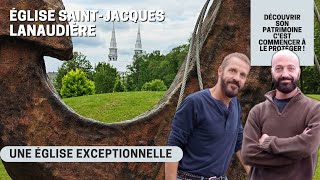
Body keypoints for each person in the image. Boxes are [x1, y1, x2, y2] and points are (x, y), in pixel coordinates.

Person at [165, 52, 251, 180]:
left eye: (242, 75)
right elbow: (174, 147)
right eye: (232, 71)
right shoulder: (195, 103)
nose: (237, 78)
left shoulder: (235, 104)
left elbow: (239, 142)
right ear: (220, 71)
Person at [241, 50, 320, 180]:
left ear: (298, 72)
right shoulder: (257, 111)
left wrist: (269, 142)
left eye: (291, 68)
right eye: (279, 68)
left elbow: (308, 146)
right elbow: (248, 154)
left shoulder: (315, 109)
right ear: (272, 72)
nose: (285, 74)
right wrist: (296, 153)